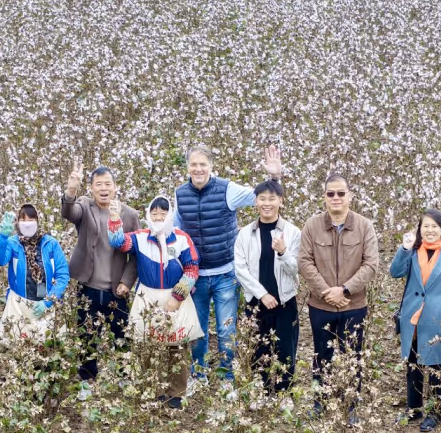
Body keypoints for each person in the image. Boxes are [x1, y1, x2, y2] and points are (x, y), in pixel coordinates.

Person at [174, 143, 284, 385]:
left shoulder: (227, 189)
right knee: (197, 330)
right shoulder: (180, 194)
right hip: (196, 276)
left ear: (211, 166)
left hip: (226, 273)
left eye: (203, 164)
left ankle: (227, 376)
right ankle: (198, 374)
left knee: (226, 331)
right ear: (188, 167)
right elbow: (176, 232)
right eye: (194, 164)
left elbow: (263, 197)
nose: (199, 169)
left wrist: (274, 176)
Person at [297, 174, 380, 421]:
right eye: (330, 193)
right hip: (320, 305)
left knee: (353, 354)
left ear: (350, 196)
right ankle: (321, 401)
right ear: (324, 197)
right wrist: (327, 292)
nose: (336, 198)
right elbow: (304, 261)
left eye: (341, 193)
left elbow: (371, 265)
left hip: (353, 305)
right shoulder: (311, 226)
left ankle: (351, 404)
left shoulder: (364, 226)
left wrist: (343, 290)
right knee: (322, 353)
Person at [109, 197, 202, 409]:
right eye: (154, 213)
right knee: (147, 346)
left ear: (170, 214)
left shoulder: (181, 238)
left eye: (163, 213)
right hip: (148, 297)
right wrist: (114, 218)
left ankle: (176, 394)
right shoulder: (141, 238)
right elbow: (118, 242)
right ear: (148, 215)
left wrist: (177, 296)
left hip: (174, 299)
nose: (158, 217)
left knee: (176, 347)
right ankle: (152, 390)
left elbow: (192, 267)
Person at [389, 209, 441, 432]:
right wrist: (404, 249)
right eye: (426, 226)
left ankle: (437, 412)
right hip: (412, 319)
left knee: (437, 368)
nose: (430, 230)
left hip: (438, 320)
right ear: (419, 229)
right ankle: (414, 408)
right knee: (413, 365)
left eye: (434, 226)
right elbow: (395, 272)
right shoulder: (412, 252)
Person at [62, 163, 140, 384]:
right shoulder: (85, 207)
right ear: (91, 188)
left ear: (115, 187)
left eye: (108, 184)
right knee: (87, 336)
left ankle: (125, 379)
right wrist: (71, 190)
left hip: (117, 289)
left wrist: (127, 281)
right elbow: (69, 212)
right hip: (88, 286)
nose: (103, 189)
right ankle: (87, 379)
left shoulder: (129, 215)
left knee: (121, 335)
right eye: (98, 184)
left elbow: (135, 255)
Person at [233, 179, 301, 397]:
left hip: (284, 301)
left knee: (286, 350)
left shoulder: (292, 232)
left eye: (272, 199)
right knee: (257, 349)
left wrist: (283, 253)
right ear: (255, 202)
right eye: (262, 198)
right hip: (256, 302)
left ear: (281, 201)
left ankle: (283, 395)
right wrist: (262, 294)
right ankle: (260, 392)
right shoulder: (245, 233)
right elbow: (240, 268)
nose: (267, 203)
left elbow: (295, 270)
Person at [0, 202, 70, 341]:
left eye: (31, 219)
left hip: (47, 306)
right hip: (18, 305)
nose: (27, 224)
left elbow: (62, 275)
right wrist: (2, 238)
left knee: (47, 348)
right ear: (18, 222)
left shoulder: (50, 244)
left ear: (38, 221)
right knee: (15, 345)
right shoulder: (13, 243)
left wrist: (49, 301)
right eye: (23, 220)